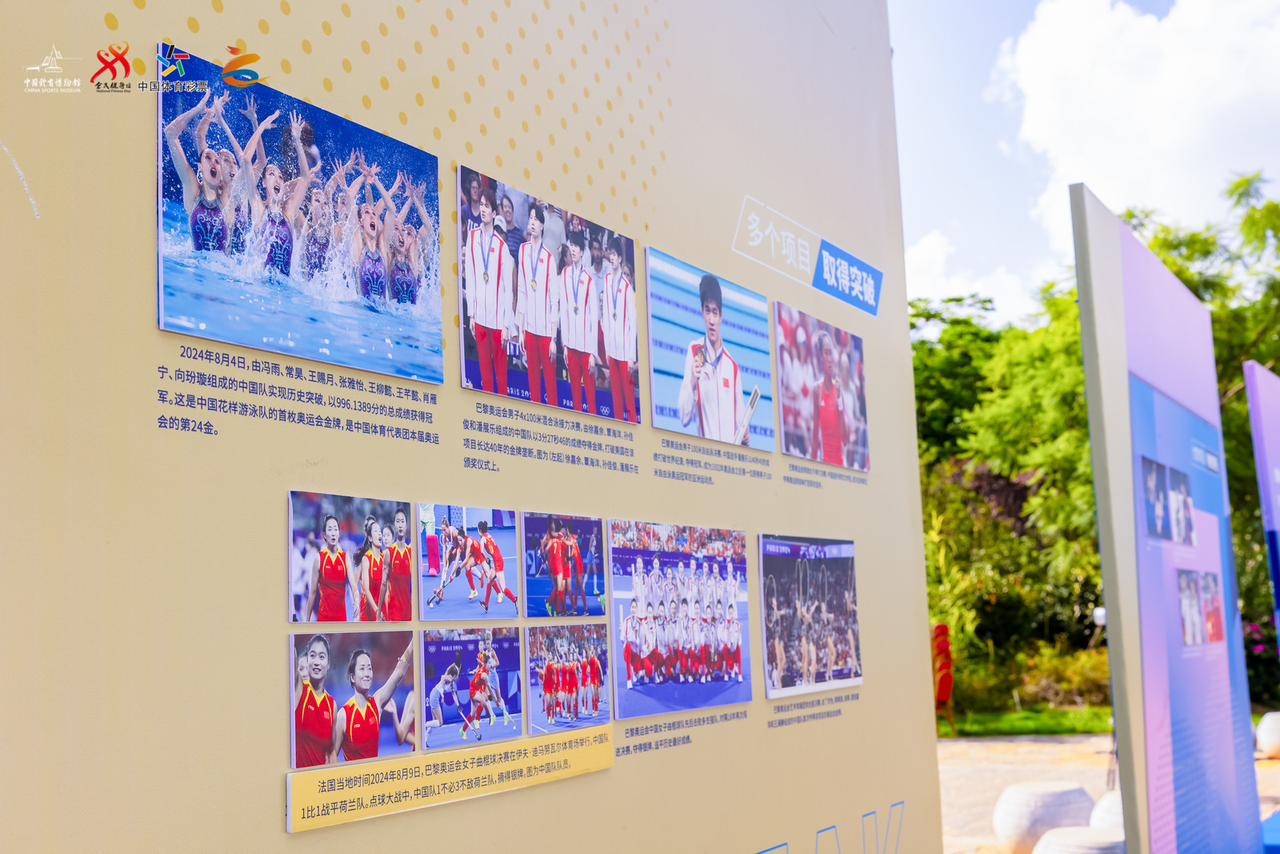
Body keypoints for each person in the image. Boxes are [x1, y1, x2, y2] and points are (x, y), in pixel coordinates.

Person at [678, 275, 747, 445]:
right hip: (706, 457)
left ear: (721, 316)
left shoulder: (732, 367)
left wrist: (745, 439)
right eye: (707, 311)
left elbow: (741, 425)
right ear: (702, 312)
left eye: (715, 312)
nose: (711, 320)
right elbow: (684, 418)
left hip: (730, 459)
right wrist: (692, 382)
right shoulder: (695, 351)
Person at [331, 640, 414, 762]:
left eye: (369, 668)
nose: (367, 674)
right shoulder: (343, 715)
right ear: (352, 677)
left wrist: (413, 643)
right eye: (362, 669)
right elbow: (332, 754)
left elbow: (399, 672)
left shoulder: (377, 703)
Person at [464, 187, 512, 395]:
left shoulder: (502, 247)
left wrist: (507, 325)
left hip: (498, 321)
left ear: (494, 213)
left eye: (487, 206)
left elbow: (508, 290)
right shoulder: (472, 237)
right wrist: (471, 315)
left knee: (501, 378)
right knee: (485, 376)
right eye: (481, 205)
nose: (483, 209)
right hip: (480, 318)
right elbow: (471, 276)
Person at [516, 205, 559, 406]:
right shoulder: (523, 251)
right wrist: (520, 330)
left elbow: (554, 300)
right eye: (530, 218)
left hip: (546, 333)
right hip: (529, 330)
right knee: (533, 384)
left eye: (536, 219)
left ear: (542, 226)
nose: (532, 222)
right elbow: (522, 290)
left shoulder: (549, 258)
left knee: (550, 386)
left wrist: (553, 338)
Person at [557, 231, 599, 414]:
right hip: (571, 346)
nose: (572, 250)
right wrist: (565, 344)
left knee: (590, 397)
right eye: (571, 246)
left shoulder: (589, 280)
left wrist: (592, 353)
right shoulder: (565, 274)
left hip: (586, 348)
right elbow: (564, 310)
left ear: (582, 252)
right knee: (575, 396)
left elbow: (593, 318)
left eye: (576, 247)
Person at [601, 237, 638, 424]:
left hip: (625, 354)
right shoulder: (607, 280)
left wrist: (631, 356)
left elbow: (633, 324)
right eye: (610, 254)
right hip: (613, 352)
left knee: (629, 402)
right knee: (615, 400)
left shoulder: (627, 287)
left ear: (620, 258)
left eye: (615, 254)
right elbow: (607, 315)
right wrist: (607, 347)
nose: (612, 258)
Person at [810, 329, 851, 465]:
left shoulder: (838, 391)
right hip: (824, 466)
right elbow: (815, 437)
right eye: (826, 353)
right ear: (821, 357)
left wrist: (839, 401)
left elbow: (845, 440)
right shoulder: (817, 389)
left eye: (831, 353)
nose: (829, 359)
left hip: (839, 467)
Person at [294, 635, 336, 767]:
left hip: (320, 778)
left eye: (321, 657)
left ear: (328, 664)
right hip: (299, 777)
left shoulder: (331, 704)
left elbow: (331, 751)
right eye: (312, 656)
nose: (316, 662)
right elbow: (290, 653)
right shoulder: (299, 689)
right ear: (307, 661)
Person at [306, 515, 357, 622]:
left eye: (335, 529)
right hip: (323, 619)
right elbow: (312, 592)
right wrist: (307, 620)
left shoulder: (345, 558)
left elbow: (353, 587)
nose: (333, 533)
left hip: (341, 619)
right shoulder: (319, 558)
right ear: (324, 535)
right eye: (330, 529)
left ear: (339, 533)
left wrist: (356, 601)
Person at [477, 519, 518, 614]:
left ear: (480, 530)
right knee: (489, 580)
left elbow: (481, 551)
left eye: (478, 530)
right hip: (497, 559)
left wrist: (486, 559)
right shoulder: (489, 535)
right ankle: (486, 604)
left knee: (503, 588)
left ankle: (515, 600)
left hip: (497, 562)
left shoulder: (482, 538)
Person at [379, 507, 413, 621]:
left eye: (402, 521)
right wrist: (379, 612)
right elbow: (383, 584)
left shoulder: (410, 553)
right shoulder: (389, 553)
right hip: (393, 614)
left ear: (406, 526)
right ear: (395, 525)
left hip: (408, 613)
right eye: (398, 521)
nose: (400, 525)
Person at [353, 517, 384, 622]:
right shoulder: (363, 557)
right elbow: (355, 586)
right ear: (367, 533)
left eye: (379, 530)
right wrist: (356, 606)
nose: (379, 533)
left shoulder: (383, 556)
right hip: (366, 609)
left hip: (381, 610)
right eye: (375, 530)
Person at [423, 660, 461, 748]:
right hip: (435, 695)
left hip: (434, 695)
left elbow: (453, 694)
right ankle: (424, 724)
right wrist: (442, 694)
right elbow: (442, 677)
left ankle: (424, 741)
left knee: (434, 723)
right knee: (440, 723)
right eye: (457, 675)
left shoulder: (451, 682)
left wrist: (458, 705)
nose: (458, 677)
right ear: (454, 675)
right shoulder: (449, 678)